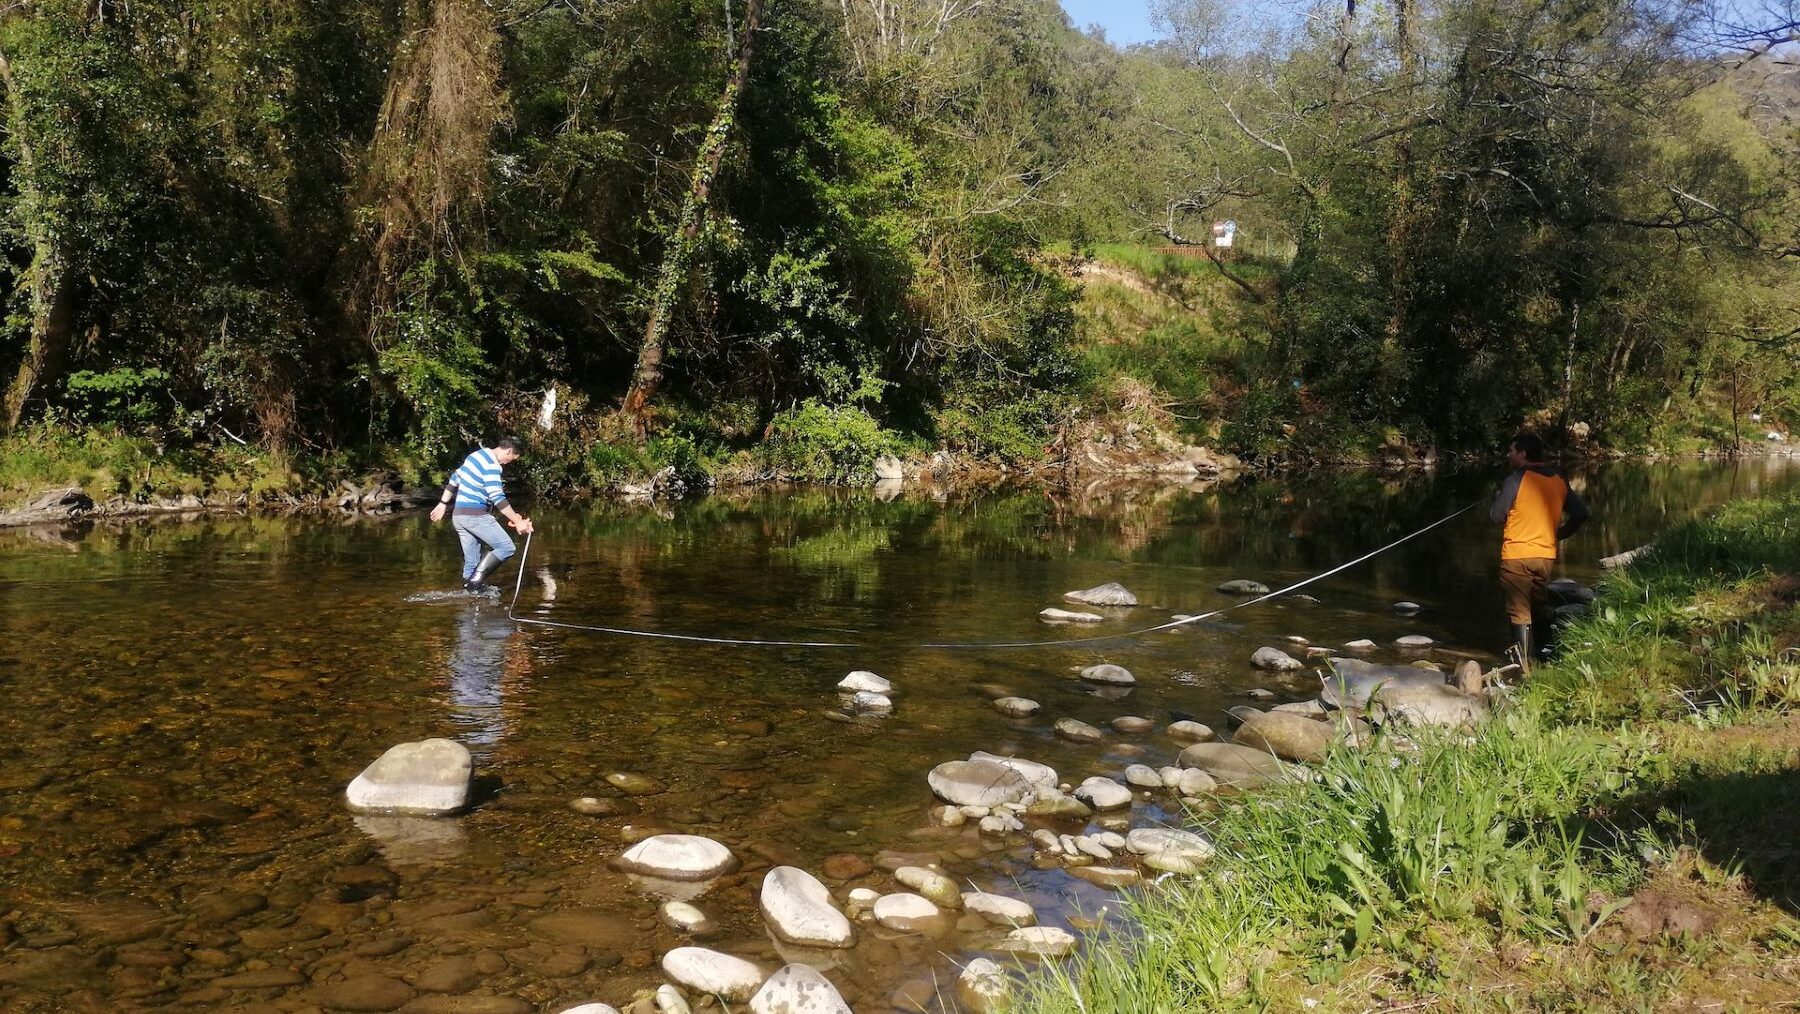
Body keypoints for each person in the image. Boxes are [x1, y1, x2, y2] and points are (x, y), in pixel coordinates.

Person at [1490, 431, 1589, 670]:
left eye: (1511, 451)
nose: (1508, 455)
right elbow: (1581, 513)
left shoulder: (1515, 480)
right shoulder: (1558, 480)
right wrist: (1560, 534)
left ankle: (1520, 667)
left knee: (1519, 611)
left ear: (1522, 454)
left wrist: (1497, 498)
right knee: (1538, 604)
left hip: (1517, 556)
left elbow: (1495, 516)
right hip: (1544, 556)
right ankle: (1547, 656)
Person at [430, 437, 534, 592]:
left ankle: (469, 596)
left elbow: (454, 479)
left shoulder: (476, 456)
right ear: (509, 451)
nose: (509, 462)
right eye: (512, 459)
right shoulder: (492, 465)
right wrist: (517, 522)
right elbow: (497, 497)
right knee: (506, 547)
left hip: (459, 516)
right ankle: (474, 584)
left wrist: (443, 504)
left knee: (472, 564)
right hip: (475, 516)